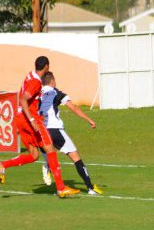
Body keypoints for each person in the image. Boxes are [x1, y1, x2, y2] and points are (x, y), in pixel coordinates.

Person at [0, 56, 80, 198]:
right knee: (50, 148)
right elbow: (24, 99)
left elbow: (26, 99)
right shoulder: (36, 82)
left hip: (20, 118)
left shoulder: (30, 75)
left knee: (34, 155)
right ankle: (61, 188)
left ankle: (2, 165)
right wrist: (32, 119)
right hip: (29, 119)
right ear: (47, 67)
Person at [39, 71, 103, 195]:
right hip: (55, 130)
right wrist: (89, 120)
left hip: (41, 130)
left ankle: (48, 166)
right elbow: (73, 107)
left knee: (51, 154)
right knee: (75, 157)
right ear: (52, 81)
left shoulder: (38, 93)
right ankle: (90, 188)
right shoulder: (55, 92)